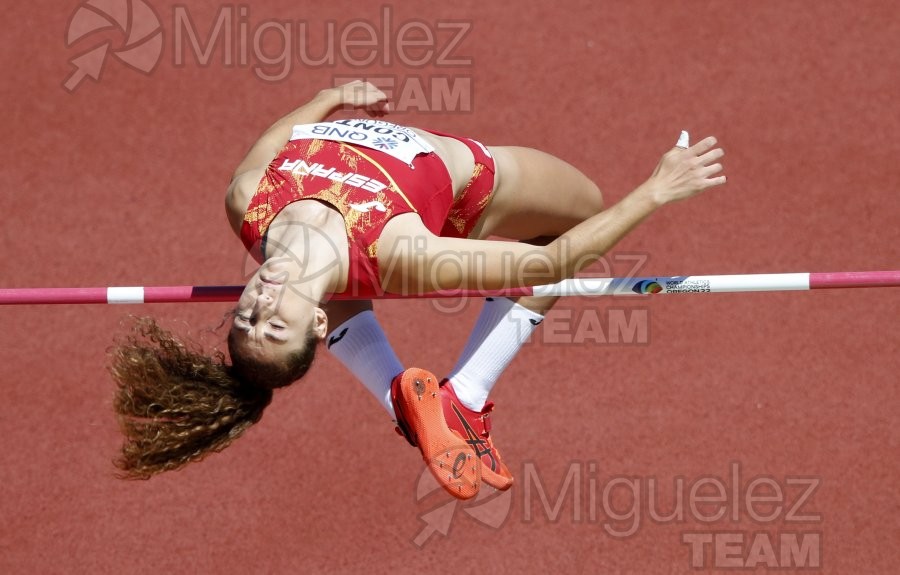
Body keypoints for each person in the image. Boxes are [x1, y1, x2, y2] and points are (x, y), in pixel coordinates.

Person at [110, 81, 725, 499]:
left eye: (246, 320)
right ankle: (468, 393)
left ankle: (404, 398)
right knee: (580, 210)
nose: (261, 305)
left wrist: (324, 99)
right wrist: (655, 191)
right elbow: (556, 262)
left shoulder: (248, 205)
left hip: (347, 245)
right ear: (317, 324)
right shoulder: (402, 254)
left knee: (321, 270)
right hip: (474, 187)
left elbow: (268, 147)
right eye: (276, 326)